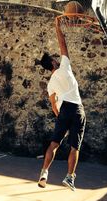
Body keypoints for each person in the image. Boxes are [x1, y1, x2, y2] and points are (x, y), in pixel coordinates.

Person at [37, 17, 86, 191]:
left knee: (54, 143)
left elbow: (53, 105)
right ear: (53, 63)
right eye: (55, 59)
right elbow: (62, 43)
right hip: (77, 109)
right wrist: (58, 28)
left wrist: (61, 118)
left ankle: (44, 173)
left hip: (64, 110)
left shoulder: (51, 84)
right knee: (75, 146)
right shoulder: (64, 66)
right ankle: (70, 178)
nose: (57, 59)